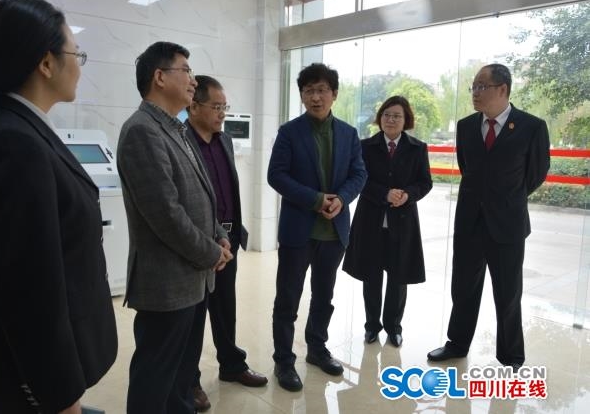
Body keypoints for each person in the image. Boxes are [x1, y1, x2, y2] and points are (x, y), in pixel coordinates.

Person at [0, 0, 117, 413]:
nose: (79, 66)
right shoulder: (14, 144)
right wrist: (60, 397)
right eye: (76, 54)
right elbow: (28, 291)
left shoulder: (22, 129)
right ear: (46, 63)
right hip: (27, 377)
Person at [117, 42, 233, 414]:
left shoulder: (175, 129)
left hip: (191, 279)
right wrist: (211, 252)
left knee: (179, 376)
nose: (193, 80)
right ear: (160, 77)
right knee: (155, 375)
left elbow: (201, 192)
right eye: (186, 70)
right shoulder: (141, 131)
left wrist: (219, 234)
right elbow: (166, 214)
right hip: (166, 283)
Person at [427, 63, 550, 370]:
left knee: (507, 293)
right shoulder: (467, 126)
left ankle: (511, 356)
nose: (475, 93)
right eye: (474, 87)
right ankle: (457, 344)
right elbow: (467, 168)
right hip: (470, 221)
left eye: (482, 87)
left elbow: (535, 174)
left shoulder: (532, 127)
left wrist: (506, 199)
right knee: (463, 288)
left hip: (507, 225)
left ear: (503, 89)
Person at [267, 63, 367, 392]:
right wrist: (316, 199)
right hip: (298, 231)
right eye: (308, 90)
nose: (315, 97)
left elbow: (359, 174)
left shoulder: (349, 134)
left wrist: (342, 199)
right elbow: (276, 175)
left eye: (321, 90)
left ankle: (317, 348)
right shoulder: (289, 132)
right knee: (288, 298)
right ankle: (284, 360)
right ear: (301, 96)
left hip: (334, 232)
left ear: (334, 94)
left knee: (324, 295)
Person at [185, 75, 267, 411]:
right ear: (193, 107)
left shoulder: (225, 140)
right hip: (197, 242)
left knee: (225, 306)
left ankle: (232, 364)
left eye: (225, 107)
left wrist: (230, 236)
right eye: (216, 107)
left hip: (228, 238)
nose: (222, 114)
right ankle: (189, 380)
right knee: (194, 315)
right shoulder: (180, 142)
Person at [342, 95, 432, 348]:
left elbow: (425, 182)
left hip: (403, 222)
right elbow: (358, 178)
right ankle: (372, 326)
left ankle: (394, 327)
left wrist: (408, 195)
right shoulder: (365, 146)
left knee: (398, 278)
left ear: (406, 120)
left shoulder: (417, 148)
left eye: (397, 116)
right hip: (370, 221)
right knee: (371, 276)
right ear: (380, 118)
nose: (391, 120)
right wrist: (384, 193)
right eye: (386, 115)